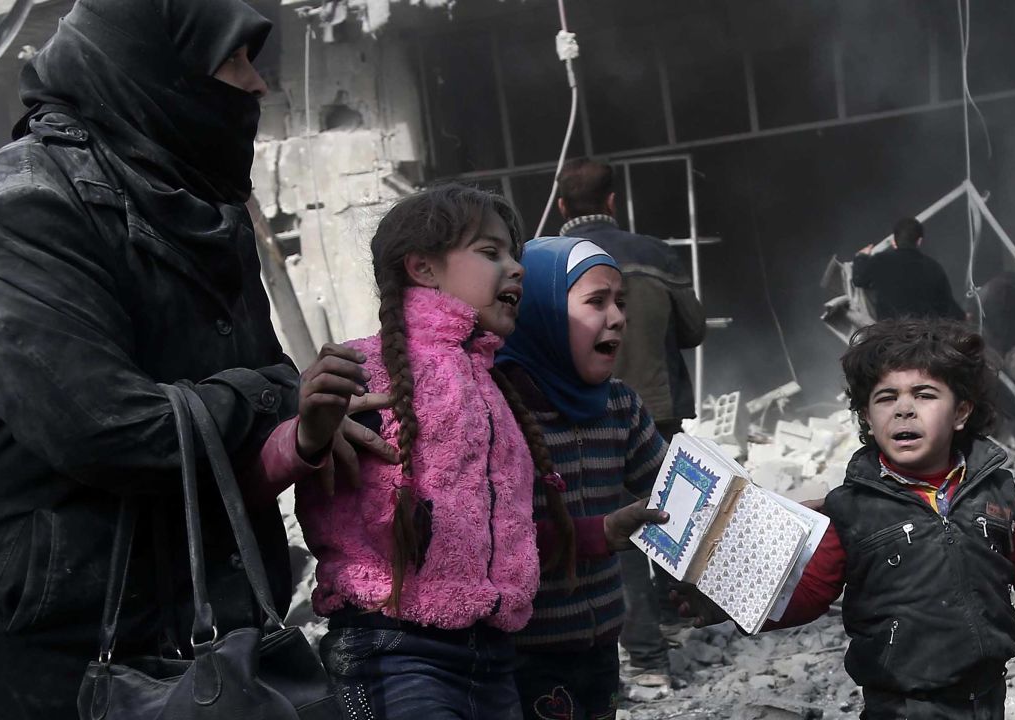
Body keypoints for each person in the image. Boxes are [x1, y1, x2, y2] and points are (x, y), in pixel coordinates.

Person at [0, 2, 394, 717]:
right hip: (39, 639)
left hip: (188, 625)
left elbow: (243, 420)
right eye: (232, 62)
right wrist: (276, 393)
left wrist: (311, 434)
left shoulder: (203, 205)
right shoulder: (22, 202)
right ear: (155, 70)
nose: (256, 87)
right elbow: (105, 429)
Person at [681, 319, 1015, 719]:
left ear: (961, 412)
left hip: (985, 695)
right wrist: (731, 601)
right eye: (886, 398)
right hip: (901, 704)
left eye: (925, 394)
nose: (904, 410)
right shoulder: (851, 509)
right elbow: (807, 595)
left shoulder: (992, 488)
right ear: (867, 417)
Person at [252, 185, 548, 718]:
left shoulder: (496, 389)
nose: (515, 268)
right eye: (491, 252)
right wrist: (308, 436)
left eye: (514, 254)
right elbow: (256, 474)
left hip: (493, 658)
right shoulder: (362, 371)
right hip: (394, 653)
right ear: (423, 268)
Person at [496, 236, 671, 719]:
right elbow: (490, 541)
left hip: (600, 645)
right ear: (543, 312)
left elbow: (674, 488)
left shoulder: (619, 405)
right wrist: (597, 535)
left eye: (620, 303)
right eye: (596, 301)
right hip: (523, 654)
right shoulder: (496, 411)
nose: (616, 317)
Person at [556, 157, 705, 684]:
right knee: (667, 511)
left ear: (561, 205)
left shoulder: (547, 262)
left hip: (585, 415)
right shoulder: (654, 254)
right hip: (656, 408)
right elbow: (693, 329)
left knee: (614, 529)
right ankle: (677, 612)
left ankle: (643, 655)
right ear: (613, 202)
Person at [852, 217, 966, 322]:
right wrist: (963, 317)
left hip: (888, 335)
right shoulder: (934, 268)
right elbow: (947, 306)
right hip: (920, 336)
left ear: (894, 240)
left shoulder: (880, 260)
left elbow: (858, 279)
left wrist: (861, 257)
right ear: (919, 241)